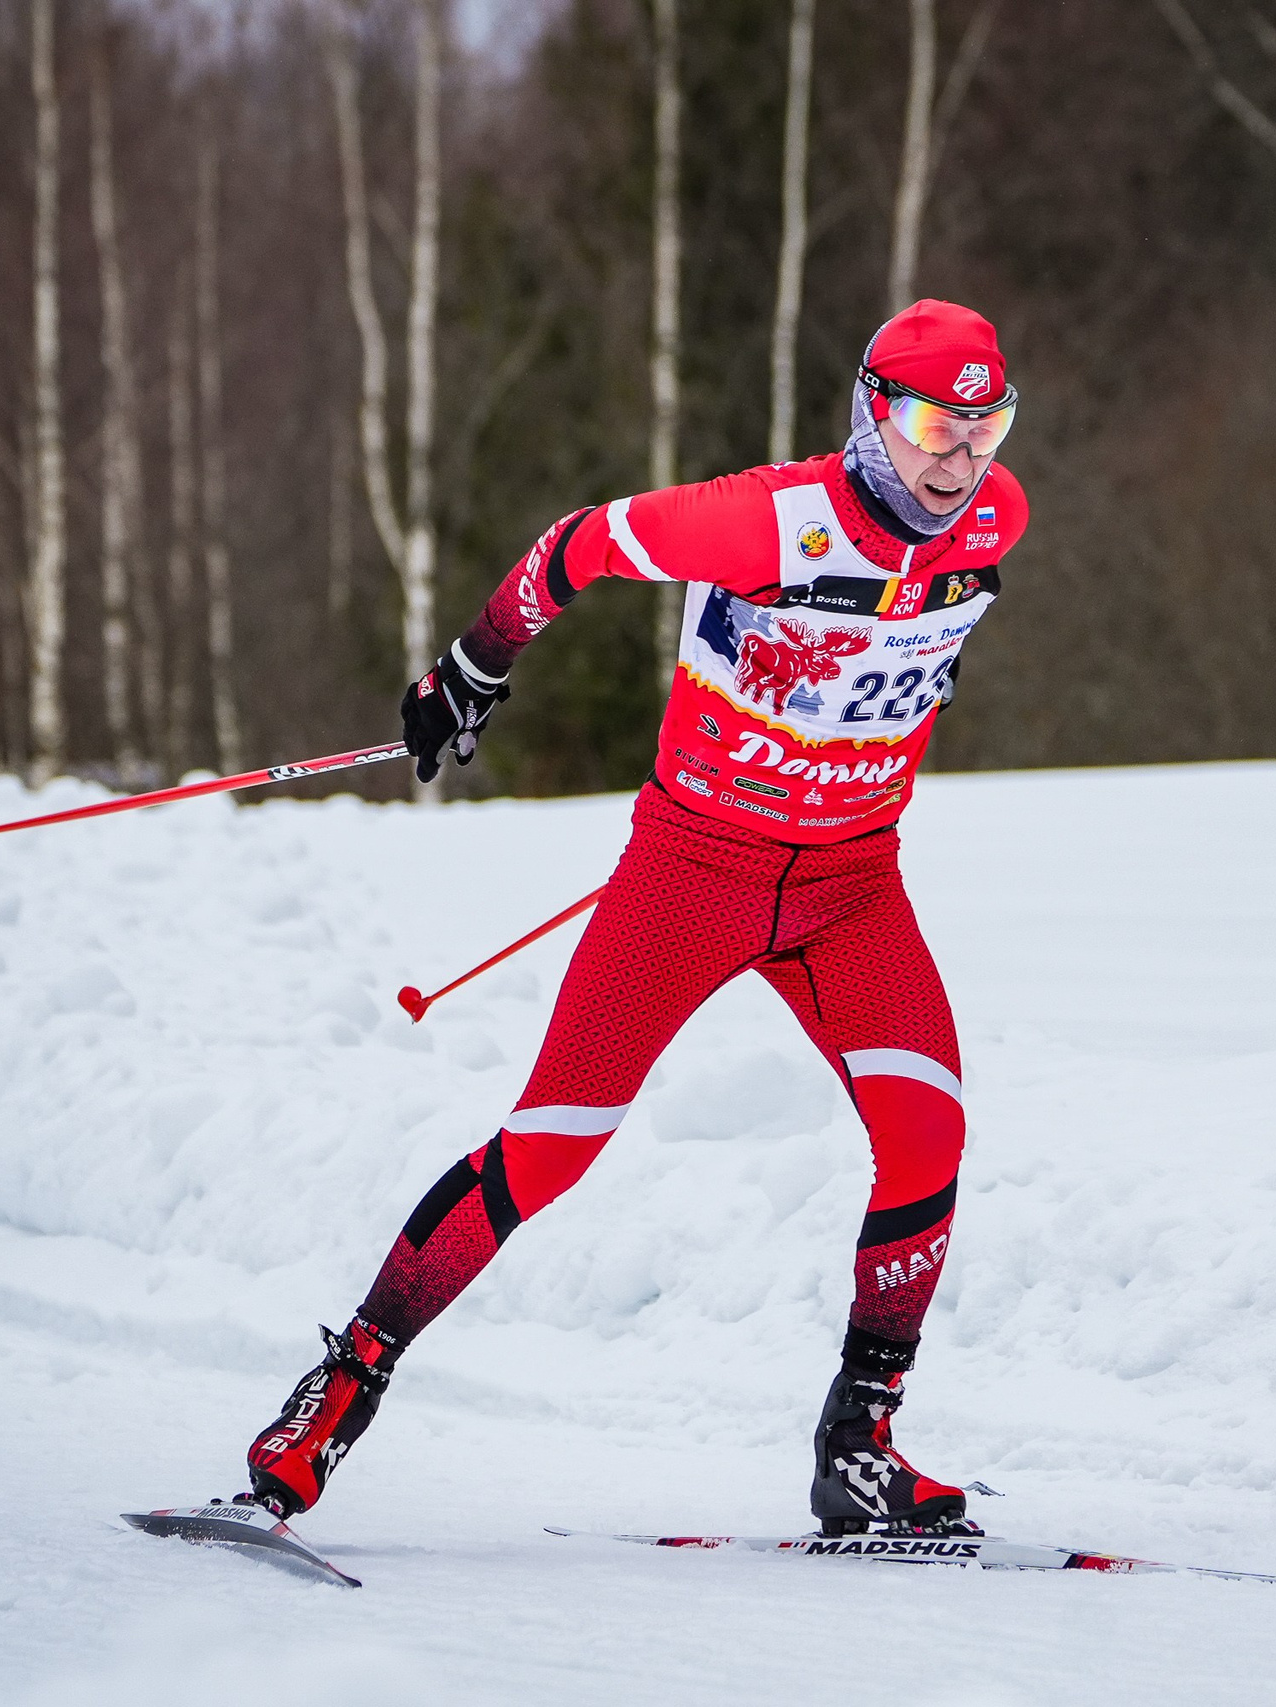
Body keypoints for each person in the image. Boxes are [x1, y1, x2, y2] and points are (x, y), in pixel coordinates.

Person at [239, 299, 1027, 1538]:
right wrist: (476, 663)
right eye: (935, 426)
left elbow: (914, 641)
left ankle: (857, 1448)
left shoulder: (996, 517)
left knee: (928, 1135)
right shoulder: (770, 519)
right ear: (873, 417)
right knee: (551, 1147)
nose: (958, 460)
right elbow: (581, 545)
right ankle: (336, 1397)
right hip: (692, 876)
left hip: (850, 886)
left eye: (986, 429)